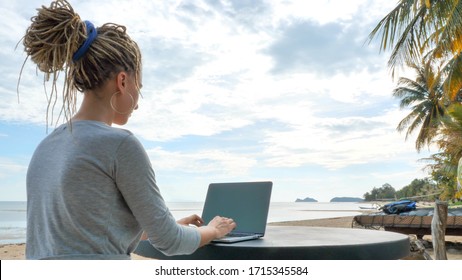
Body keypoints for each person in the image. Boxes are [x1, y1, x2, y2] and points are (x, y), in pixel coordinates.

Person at [21, 0, 236, 260]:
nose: (138, 98)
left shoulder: (45, 147)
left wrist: (167, 225)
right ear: (122, 81)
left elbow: (89, 233)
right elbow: (170, 243)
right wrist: (213, 230)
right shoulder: (119, 145)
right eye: (139, 84)